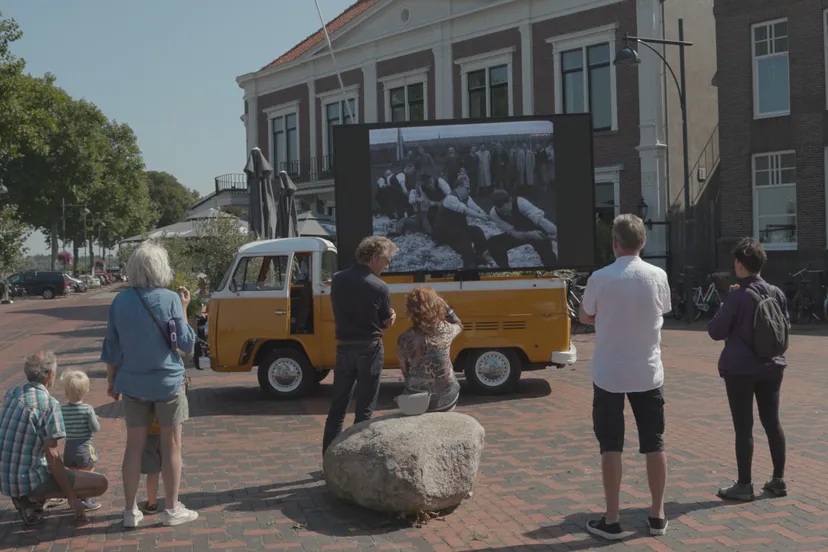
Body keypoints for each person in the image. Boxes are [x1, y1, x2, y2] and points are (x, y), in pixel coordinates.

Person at [579, 214, 671, 540]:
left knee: (610, 445)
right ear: (643, 242)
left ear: (614, 243)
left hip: (609, 373)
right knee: (654, 443)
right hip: (648, 371)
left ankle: (613, 518)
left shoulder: (600, 278)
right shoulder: (658, 275)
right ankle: (657, 514)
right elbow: (662, 310)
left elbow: (585, 314)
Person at [101, 240, 198, 528]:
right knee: (171, 446)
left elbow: (111, 347)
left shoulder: (120, 301)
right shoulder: (169, 298)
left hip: (132, 382)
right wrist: (182, 308)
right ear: (161, 268)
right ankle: (171, 508)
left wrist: (111, 380)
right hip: (167, 381)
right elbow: (186, 343)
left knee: (133, 447)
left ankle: (130, 511)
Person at [708, 238, 788, 501]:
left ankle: (744, 485)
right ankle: (778, 480)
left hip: (741, 369)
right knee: (772, 423)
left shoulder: (737, 295)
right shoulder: (776, 292)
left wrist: (726, 305)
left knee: (744, 427)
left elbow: (715, 331)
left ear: (740, 265)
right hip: (772, 366)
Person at [0, 351, 108, 526]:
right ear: (50, 374)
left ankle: (33, 498)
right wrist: (72, 498)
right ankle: (32, 499)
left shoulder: (12, 393)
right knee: (100, 483)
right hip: (27, 480)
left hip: (6, 478)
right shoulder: (48, 403)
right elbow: (52, 455)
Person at [322, 236, 398, 455]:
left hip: (344, 349)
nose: (388, 264)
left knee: (337, 408)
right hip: (370, 349)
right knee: (364, 410)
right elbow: (385, 322)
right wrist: (391, 318)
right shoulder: (379, 286)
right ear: (374, 257)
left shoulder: (337, 279)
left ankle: (329, 458)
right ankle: (356, 459)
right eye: (386, 259)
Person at [397, 287, 463, 412]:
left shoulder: (404, 338)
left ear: (410, 310)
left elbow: (405, 371)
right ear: (437, 307)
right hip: (445, 399)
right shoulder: (446, 330)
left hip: (416, 399)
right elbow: (458, 324)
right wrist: (445, 307)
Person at [140, 376, 191, 515]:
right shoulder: (170, 396)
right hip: (167, 433)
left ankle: (151, 503)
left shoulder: (145, 390)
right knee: (172, 466)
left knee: (152, 472)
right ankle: (173, 502)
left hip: (148, 435)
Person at [59, 370, 102, 511]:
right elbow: (95, 428)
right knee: (87, 473)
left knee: (73, 475)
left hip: (69, 448)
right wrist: (94, 418)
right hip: (84, 446)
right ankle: (86, 500)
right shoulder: (87, 409)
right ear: (86, 391)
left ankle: (76, 497)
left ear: (66, 392)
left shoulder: (62, 409)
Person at [487, 190, 558, 268]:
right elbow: (512, 232)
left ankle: (552, 268)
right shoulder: (493, 214)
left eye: (506, 211)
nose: (506, 214)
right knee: (493, 243)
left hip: (536, 231)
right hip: (520, 233)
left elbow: (539, 219)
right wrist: (528, 234)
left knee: (545, 247)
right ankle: (505, 270)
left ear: (510, 201)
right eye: (502, 212)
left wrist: (554, 232)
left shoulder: (521, 202)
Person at [433, 177, 490, 270]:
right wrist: (480, 217)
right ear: (459, 187)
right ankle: (469, 264)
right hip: (447, 232)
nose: (469, 191)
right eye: (467, 188)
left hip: (460, 229)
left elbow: (475, 207)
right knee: (466, 248)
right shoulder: (450, 198)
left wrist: (482, 212)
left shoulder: (466, 198)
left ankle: (479, 256)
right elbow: (465, 210)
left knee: (478, 232)